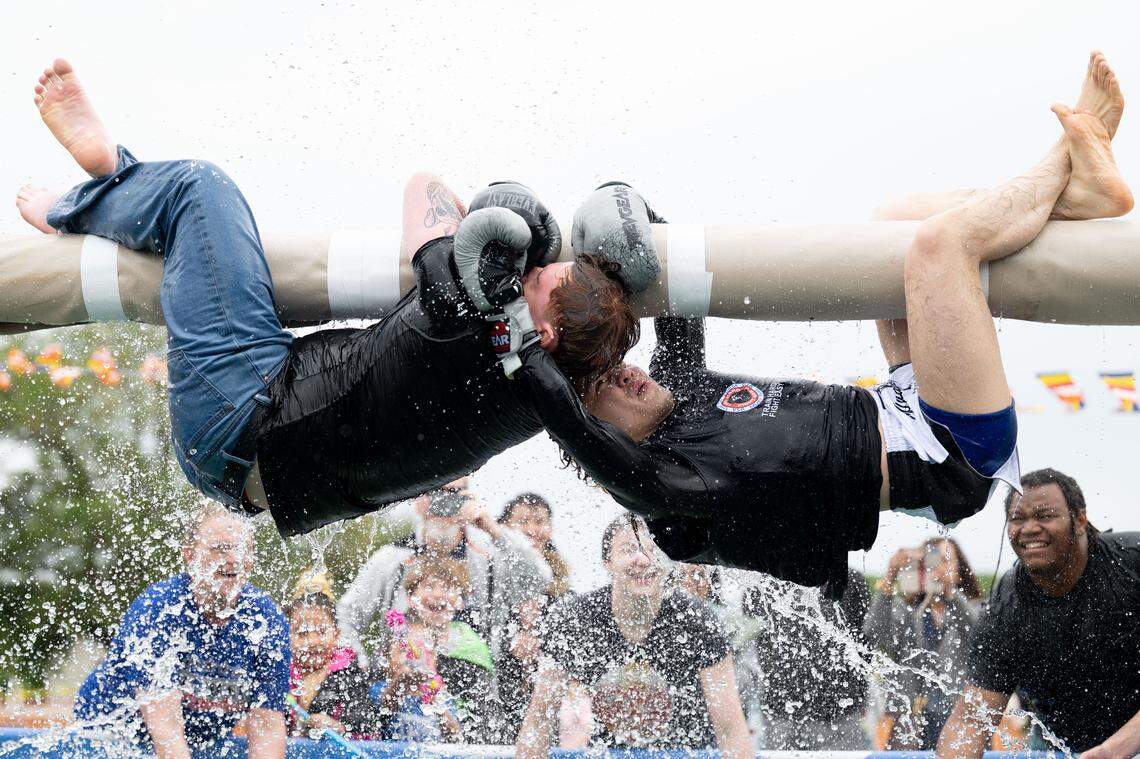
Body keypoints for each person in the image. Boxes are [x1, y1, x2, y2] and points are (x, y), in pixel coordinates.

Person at [504, 51, 1133, 596]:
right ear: (603, 437)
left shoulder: (679, 387)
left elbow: (668, 264)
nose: (627, 376)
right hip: (952, 451)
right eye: (606, 390)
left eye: (618, 367)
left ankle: (1079, 197)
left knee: (896, 221)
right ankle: (1069, 157)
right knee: (940, 248)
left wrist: (631, 208)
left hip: (903, 399)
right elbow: (562, 416)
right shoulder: (664, 487)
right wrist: (510, 322)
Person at [16, 59, 638, 538]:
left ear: (547, 331)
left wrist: (498, 231)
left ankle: (81, 199)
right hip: (251, 461)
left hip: (241, 406)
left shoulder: (468, 312)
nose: (527, 270)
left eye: (540, 278)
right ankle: (114, 185)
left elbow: (424, 184)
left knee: (198, 191)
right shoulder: (552, 399)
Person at [937, 468, 1140, 758]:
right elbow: (971, 719)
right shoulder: (1006, 607)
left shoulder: (1131, 564)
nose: (1029, 528)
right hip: (1060, 748)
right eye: (1017, 519)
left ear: (1079, 520)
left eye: (1045, 516)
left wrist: (1113, 751)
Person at [516, 513, 752, 757]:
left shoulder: (697, 623)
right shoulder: (576, 621)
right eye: (629, 549)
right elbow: (538, 723)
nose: (643, 559)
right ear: (606, 561)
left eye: (654, 549)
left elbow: (731, 728)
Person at [73, 506, 289, 758]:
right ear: (190, 555)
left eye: (243, 549)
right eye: (220, 548)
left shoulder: (265, 620)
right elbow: (167, 730)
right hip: (112, 738)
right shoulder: (161, 609)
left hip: (200, 742)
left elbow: (267, 724)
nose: (234, 558)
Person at [336, 478, 550, 682]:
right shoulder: (393, 557)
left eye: (454, 495)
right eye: (435, 492)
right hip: (403, 688)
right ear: (419, 498)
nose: (444, 503)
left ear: (467, 498)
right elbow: (346, 616)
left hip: (474, 686)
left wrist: (493, 529)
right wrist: (360, 670)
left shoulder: (488, 556)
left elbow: (539, 580)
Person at [865, 538, 981, 749]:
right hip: (911, 722)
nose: (938, 568)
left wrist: (951, 594)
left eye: (945, 561)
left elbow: (980, 636)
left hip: (961, 721)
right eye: (932, 562)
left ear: (959, 567)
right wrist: (891, 576)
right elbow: (874, 633)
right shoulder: (907, 611)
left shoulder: (976, 608)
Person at [372, 555, 495, 744]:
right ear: (412, 598)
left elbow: (476, 725)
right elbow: (375, 715)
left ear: (461, 601)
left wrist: (434, 699)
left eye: (447, 588)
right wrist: (399, 682)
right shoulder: (397, 636)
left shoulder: (470, 645)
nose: (438, 594)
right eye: (429, 587)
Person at [747, 569, 871, 750]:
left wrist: (862, 694)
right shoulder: (764, 577)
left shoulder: (849, 578)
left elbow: (864, 640)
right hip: (780, 711)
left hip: (839, 713)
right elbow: (751, 625)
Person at [494, 492, 574, 740]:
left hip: (547, 701)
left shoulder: (565, 595)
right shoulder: (490, 583)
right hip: (497, 695)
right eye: (522, 521)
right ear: (503, 528)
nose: (531, 529)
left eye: (539, 521)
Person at [285, 591, 385, 741]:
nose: (313, 641)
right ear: (287, 636)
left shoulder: (348, 673)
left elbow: (366, 723)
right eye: (302, 633)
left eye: (322, 631)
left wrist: (339, 727)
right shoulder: (281, 672)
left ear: (337, 634)